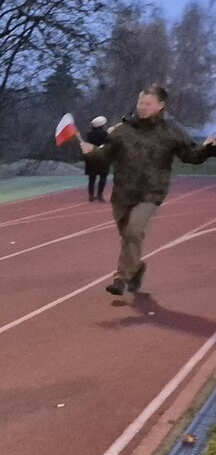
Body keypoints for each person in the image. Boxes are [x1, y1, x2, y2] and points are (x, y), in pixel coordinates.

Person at [80, 84, 215, 296]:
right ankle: (136, 269)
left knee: (133, 231)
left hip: (151, 193)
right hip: (123, 193)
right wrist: (91, 153)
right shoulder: (124, 130)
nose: (142, 106)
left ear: (161, 105)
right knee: (128, 236)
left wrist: (208, 148)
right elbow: (105, 157)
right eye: (140, 102)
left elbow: (191, 156)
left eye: (147, 103)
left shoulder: (171, 132)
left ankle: (121, 278)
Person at [84, 116, 110, 202]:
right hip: (102, 157)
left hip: (91, 157)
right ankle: (99, 195)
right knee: (103, 176)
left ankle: (91, 195)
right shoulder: (105, 134)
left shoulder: (89, 134)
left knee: (92, 177)